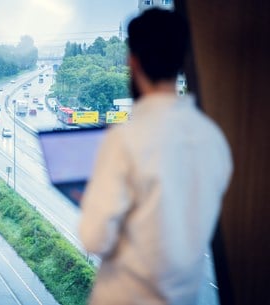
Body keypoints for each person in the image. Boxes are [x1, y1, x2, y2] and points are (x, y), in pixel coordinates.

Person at [79, 8, 233, 305]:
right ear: (182, 64)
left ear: (133, 63)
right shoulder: (213, 138)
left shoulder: (125, 139)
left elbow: (94, 238)